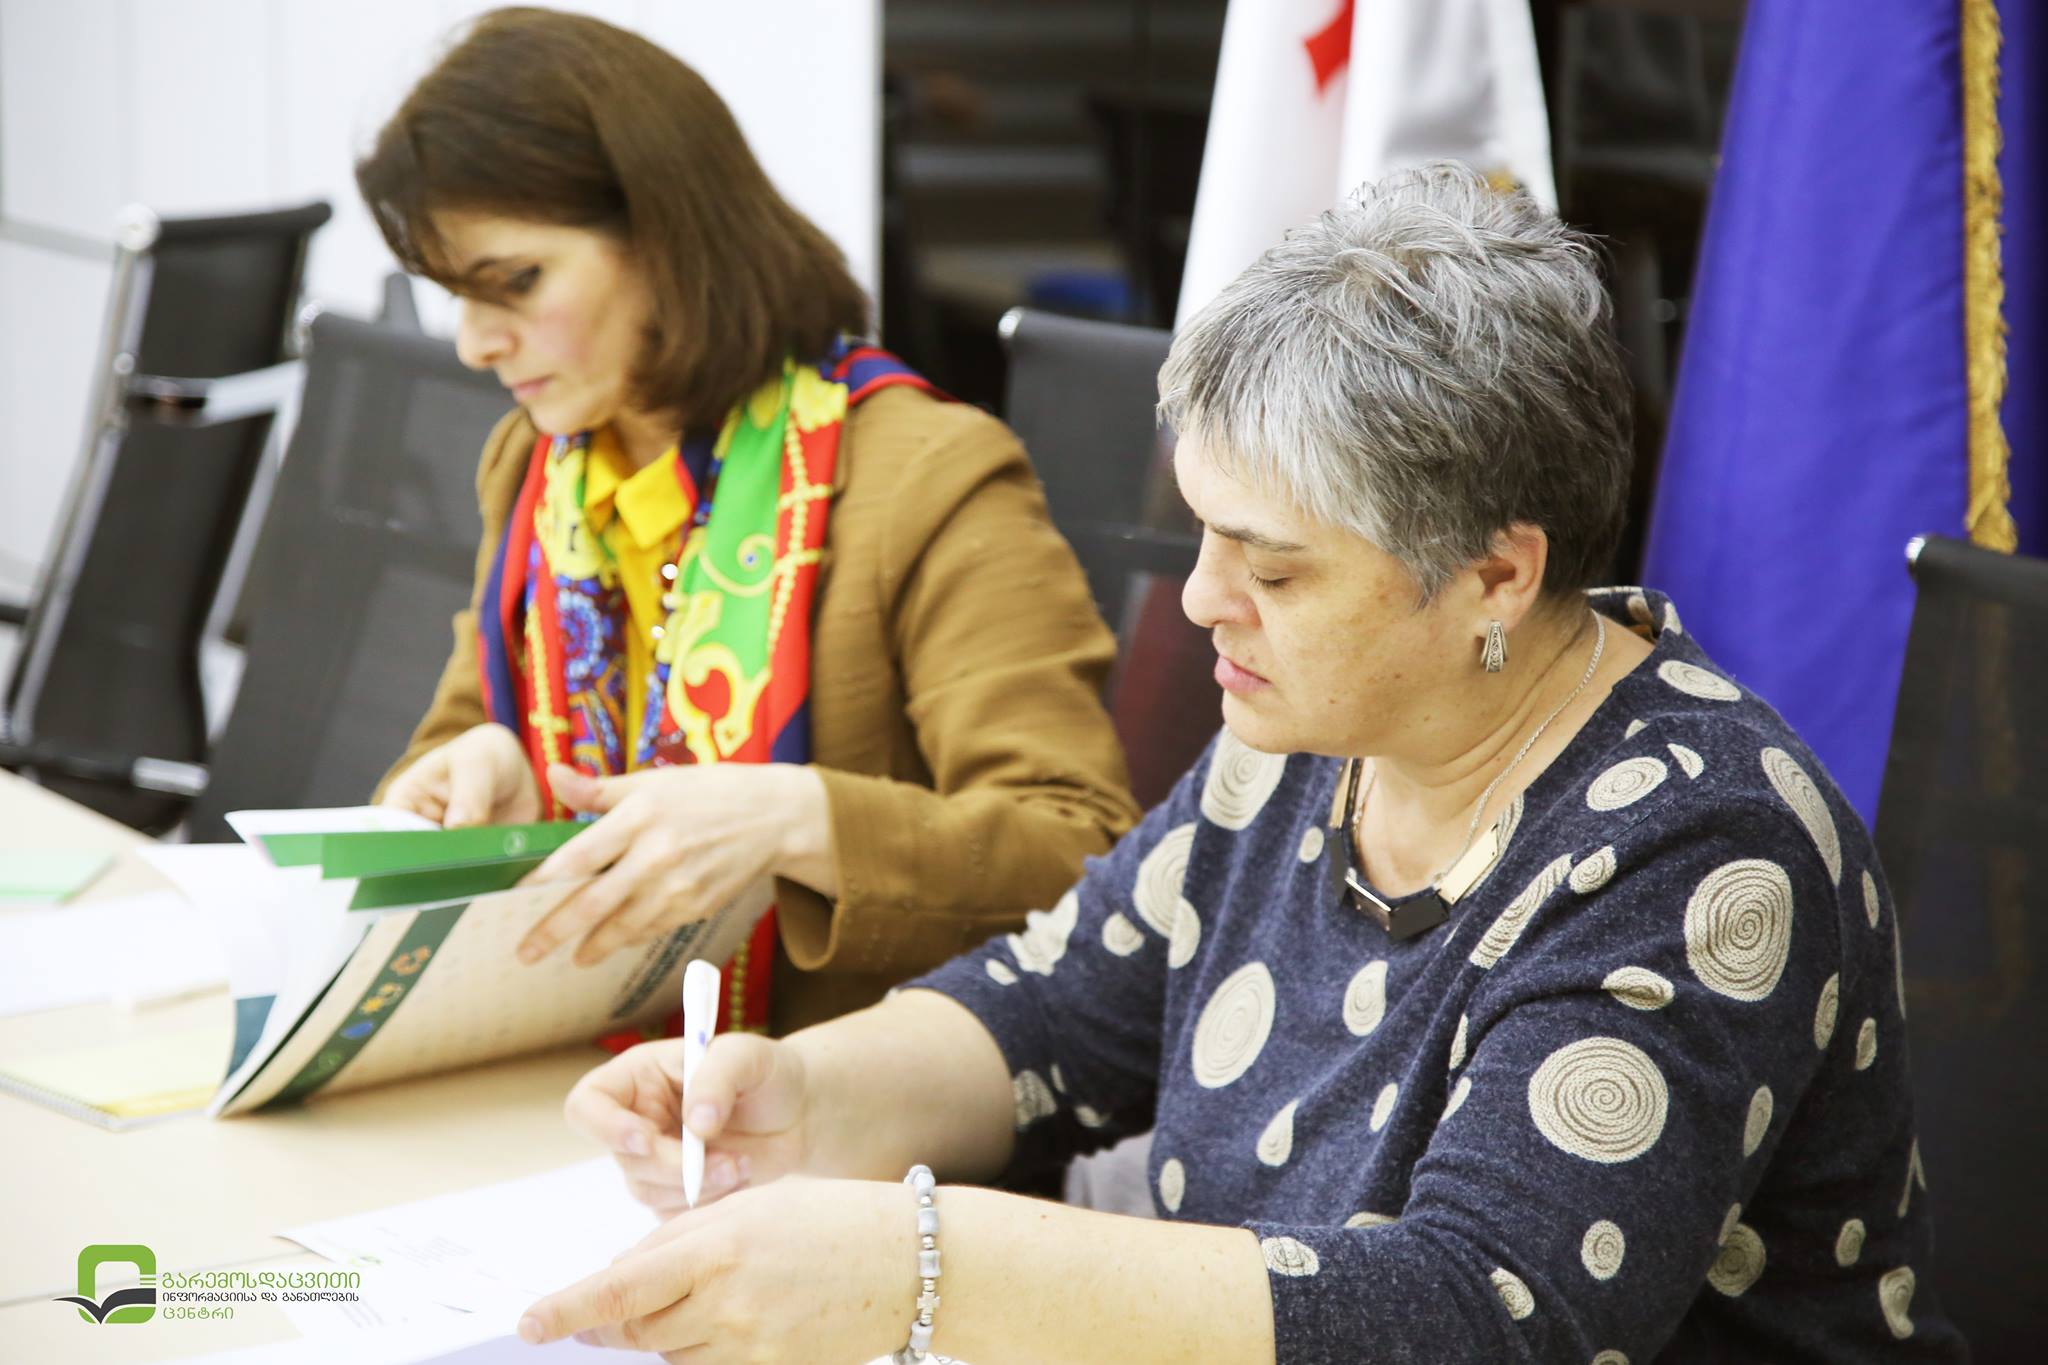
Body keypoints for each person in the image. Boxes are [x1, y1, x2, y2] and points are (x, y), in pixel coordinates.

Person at [513, 165, 1966, 1363]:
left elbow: (1479, 1317)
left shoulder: (1705, 841)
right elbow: (1055, 1013)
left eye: (1272, 569)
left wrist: (921, 1265)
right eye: (1204, 534)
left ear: (1494, 576)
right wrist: (800, 1097)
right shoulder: (1308, 738)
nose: (1203, 599)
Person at [357, 7, 1139, 1036]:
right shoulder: (540, 463)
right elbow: (460, 726)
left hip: (832, 1099)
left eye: (514, 282)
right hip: (563, 1066)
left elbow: (1079, 849)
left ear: (668, 236)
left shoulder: (924, 475)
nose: (473, 344)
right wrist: (473, 771)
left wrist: (797, 820)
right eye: (454, 295)